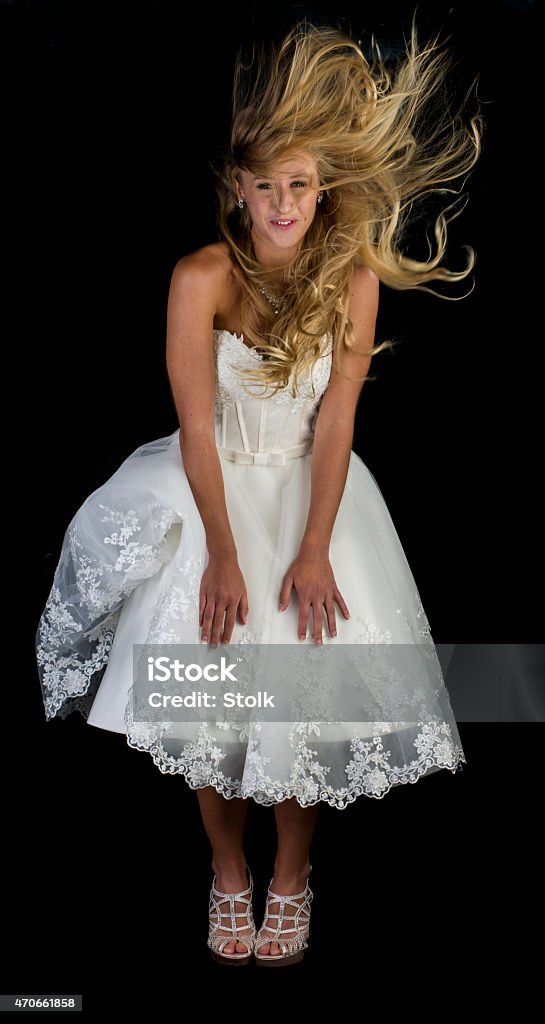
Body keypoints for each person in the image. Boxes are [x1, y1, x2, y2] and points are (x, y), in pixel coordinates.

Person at [35, 19, 483, 967]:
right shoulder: (199, 278)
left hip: (313, 499)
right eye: (267, 186)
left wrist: (315, 547)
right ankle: (228, 871)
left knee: (298, 710)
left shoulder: (353, 279)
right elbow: (197, 428)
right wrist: (225, 556)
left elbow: (336, 424)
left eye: (301, 187)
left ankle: (290, 877)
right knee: (208, 704)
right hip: (215, 496)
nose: (284, 205)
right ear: (236, 187)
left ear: (322, 192)